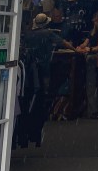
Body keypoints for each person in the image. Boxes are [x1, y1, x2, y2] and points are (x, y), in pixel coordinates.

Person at [18, 13, 72, 146]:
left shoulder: (29, 35)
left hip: (30, 69)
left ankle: (28, 124)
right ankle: (41, 115)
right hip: (43, 68)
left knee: (30, 95)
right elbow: (64, 43)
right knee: (43, 93)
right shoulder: (48, 33)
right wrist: (75, 49)